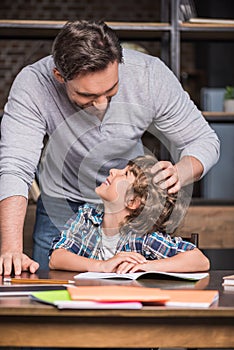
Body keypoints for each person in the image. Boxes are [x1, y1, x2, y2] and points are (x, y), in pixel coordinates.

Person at [0, 20, 219, 275]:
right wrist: (11, 249)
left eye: (111, 90)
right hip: (62, 202)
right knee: (48, 296)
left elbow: (204, 140)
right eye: (88, 96)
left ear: (120, 62)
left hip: (128, 214)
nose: (102, 105)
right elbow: (15, 167)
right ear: (60, 76)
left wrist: (181, 171)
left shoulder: (149, 76)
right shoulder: (33, 85)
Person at [49, 155, 209, 273]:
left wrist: (146, 266)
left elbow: (200, 260)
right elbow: (56, 258)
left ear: (132, 201)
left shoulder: (141, 237)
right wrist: (102, 266)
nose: (112, 171)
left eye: (124, 174)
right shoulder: (87, 217)